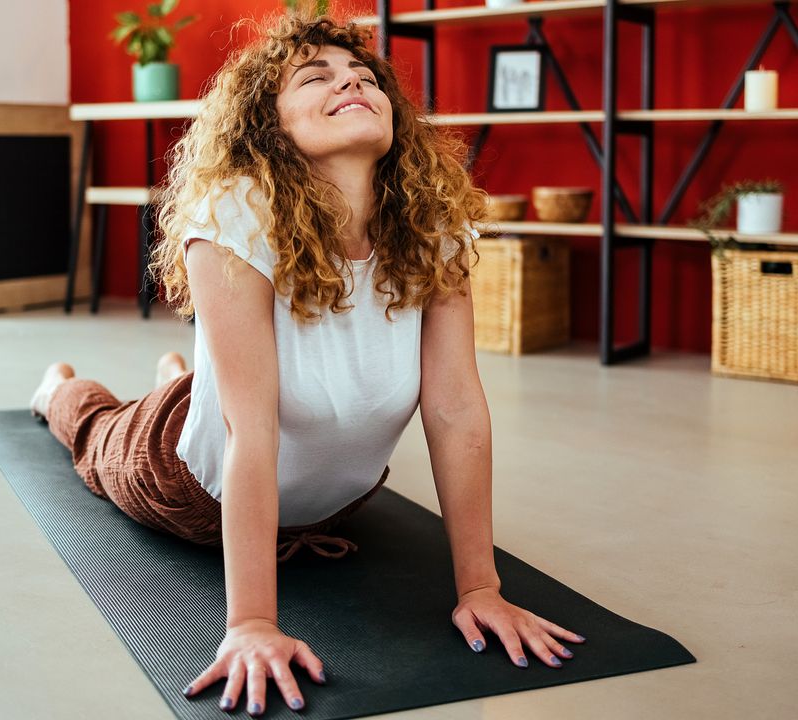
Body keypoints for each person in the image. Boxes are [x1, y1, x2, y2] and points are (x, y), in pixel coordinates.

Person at [29, 14, 585, 717]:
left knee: (214, 387)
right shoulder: (235, 212)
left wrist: (481, 588)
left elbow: (455, 408)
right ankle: (58, 389)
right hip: (190, 486)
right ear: (268, 126)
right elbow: (249, 429)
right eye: (315, 77)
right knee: (96, 426)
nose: (351, 81)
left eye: (364, 78)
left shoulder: (431, 225)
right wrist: (252, 624)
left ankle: (181, 377)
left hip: (335, 503)